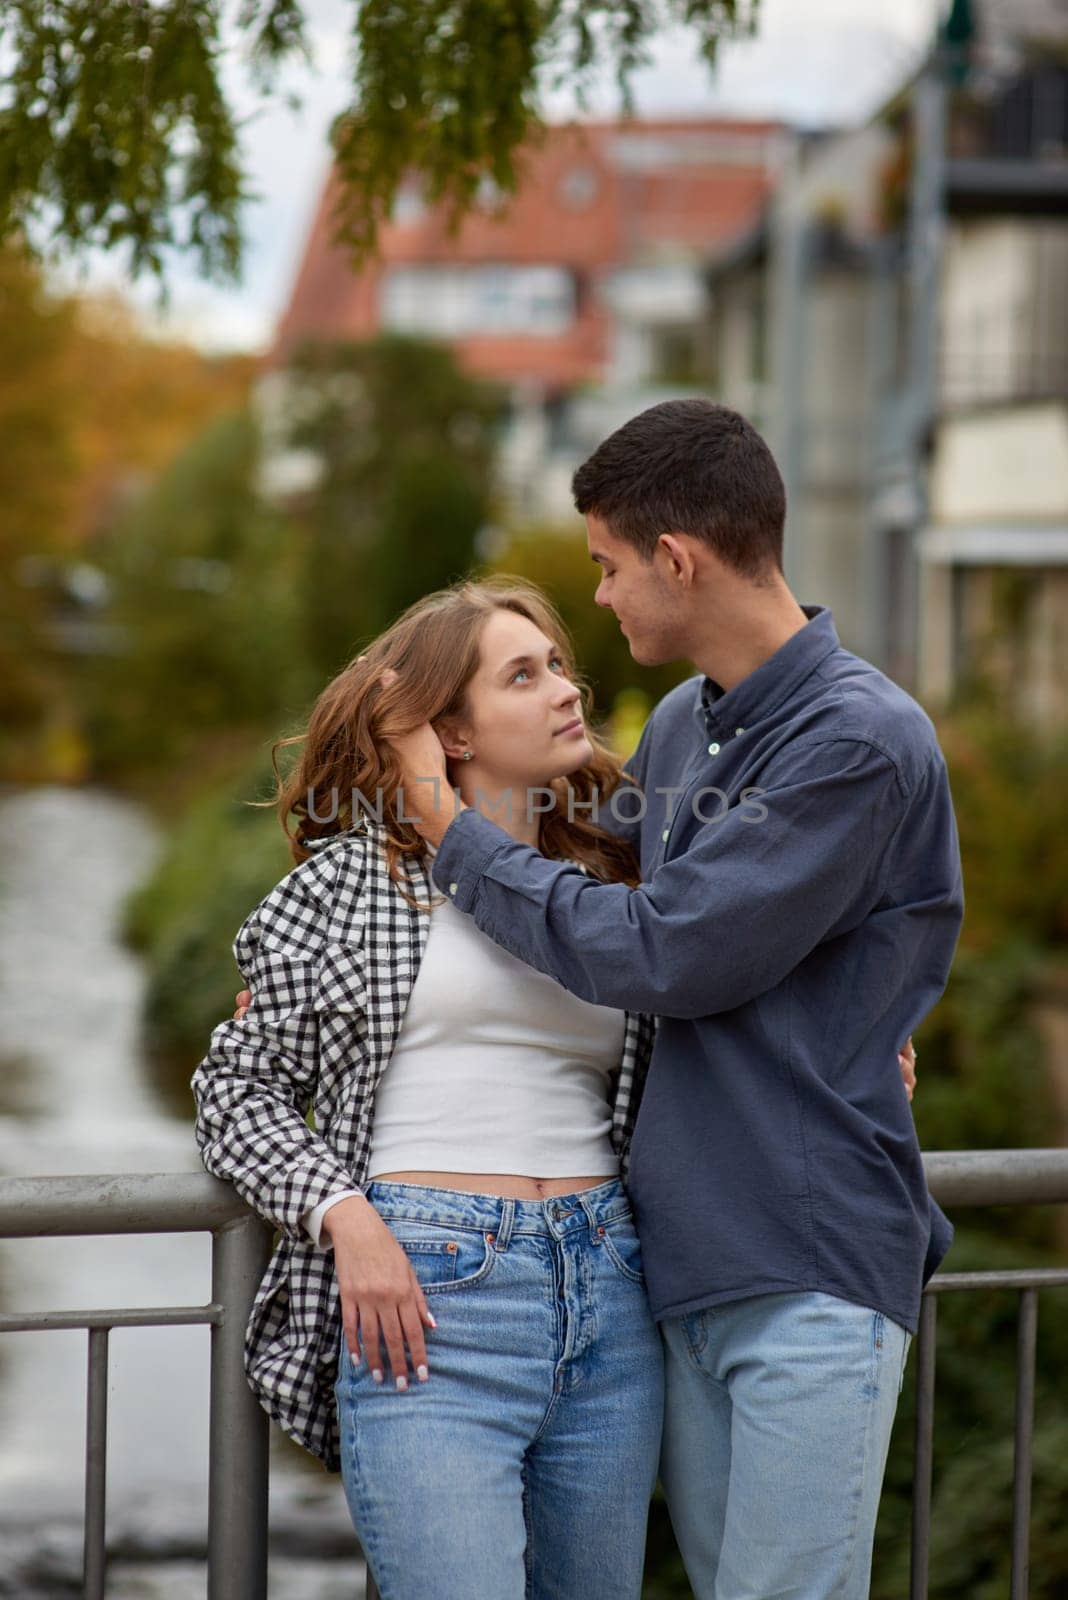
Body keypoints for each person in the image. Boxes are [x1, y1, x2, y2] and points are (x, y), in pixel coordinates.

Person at [381, 399, 963, 1600]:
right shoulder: (690, 725)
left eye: (605, 567)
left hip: (807, 1268)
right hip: (673, 1270)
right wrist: (316, 975)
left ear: (676, 560)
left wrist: (446, 833)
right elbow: (585, 891)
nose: (597, 597)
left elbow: (658, 951)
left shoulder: (857, 741)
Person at [192, 577, 667, 1600]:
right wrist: (344, 1215)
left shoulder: (617, 881)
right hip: (431, 1296)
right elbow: (237, 1086)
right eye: (523, 674)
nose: (566, 689)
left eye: (560, 664)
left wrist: (861, 1036)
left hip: (612, 1288)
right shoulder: (351, 885)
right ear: (449, 731)